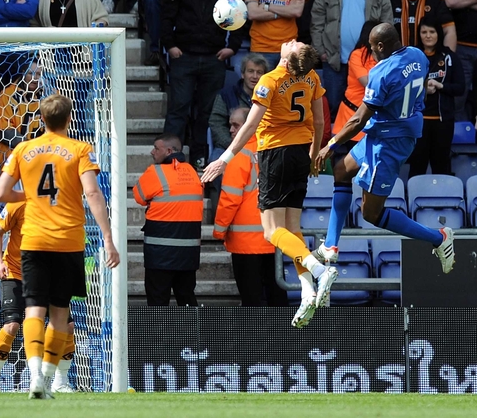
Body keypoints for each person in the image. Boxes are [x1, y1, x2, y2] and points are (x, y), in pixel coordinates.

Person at [0, 93, 119, 399]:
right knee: (60, 315)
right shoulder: (79, 149)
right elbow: (92, 193)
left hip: (34, 241)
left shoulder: (23, 149)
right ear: (70, 118)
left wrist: (30, 197)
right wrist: (107, 236)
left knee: (34, 311)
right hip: (67, 241)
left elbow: (0, 194)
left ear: (42, 118)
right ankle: (47, 380)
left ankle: (35, 375)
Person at [201, 39, 331, 328]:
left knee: (273, 231)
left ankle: (317, 268)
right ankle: (308, 290)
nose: (292, 40)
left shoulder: (270, 80)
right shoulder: (311, 75)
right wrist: (313, 156)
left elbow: (249, 125)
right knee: (293, 229)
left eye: (294, 44)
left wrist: (224, 158)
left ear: (286, 58)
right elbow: (320, 123)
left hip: (275, 153)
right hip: (301, 152)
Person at [312, 23, 456, 282]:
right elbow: (420, 82)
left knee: (371, 214)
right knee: (342, 171)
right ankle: (330, 246)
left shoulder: (381, 72)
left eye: (371, 45)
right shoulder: (417, 55)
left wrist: (330, 144)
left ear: (380, 46)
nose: (369, 50)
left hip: (389, 144)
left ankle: (439, 238)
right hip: (386, 132)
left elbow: (357, 120)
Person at [0, 200, 77, 394]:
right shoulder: (17, 203)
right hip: (15, 273)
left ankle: (60, 382)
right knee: (12, 325)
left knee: (67, 326)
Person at [161, 0, 244, 170]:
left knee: (207, 112)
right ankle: (170, 160)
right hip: (184, 56)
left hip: (213, 57)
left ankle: (200, 158)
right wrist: (170, 45)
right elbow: (165, 17)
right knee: (178, 109)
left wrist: (232, 47)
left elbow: (240, 18)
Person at [213, 107, 288, 307]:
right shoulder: (277, 151)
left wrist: (219, 230)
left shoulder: (238, 155)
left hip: (246, 243)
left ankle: (253, 338)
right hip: (275, 239)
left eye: (236, 125)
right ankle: (286, 337)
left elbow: (230, 198)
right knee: (277, 296)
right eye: (230, 124)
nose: (230, 130)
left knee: (251, 301)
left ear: (249, 125)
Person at [310, 0, 393, 119]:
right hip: (334, 60)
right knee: (333, 106)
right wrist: (320, 50)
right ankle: (336, 141)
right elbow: (316, 21)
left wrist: (382, 54)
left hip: (369, 61)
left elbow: (387, 25)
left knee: (368, 106)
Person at [133, 133, 203, 306]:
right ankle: (191, 333)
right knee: (186, 298)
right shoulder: (192, 172)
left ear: (169, 151)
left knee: (158, 301)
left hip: (160, 254)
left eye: (157, 148)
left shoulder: (155, 172)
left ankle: (159, 334)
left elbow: (139, 196)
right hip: (188, 253)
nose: (152, 152)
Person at [408, 17, 464, 177]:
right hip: (418, 121)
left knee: (442, 167)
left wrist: (441, 86)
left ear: (438, 33)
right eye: (424, 32)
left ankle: (444, 201)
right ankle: (415, 200)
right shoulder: (412, 57)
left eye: (432, 32)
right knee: (417, 166)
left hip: (443, 121)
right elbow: (402, 87)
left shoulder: (450, 57)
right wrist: (424, 89)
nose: (428, 36)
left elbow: (460, 88)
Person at [331, 20, 379, 166]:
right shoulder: (357, 55)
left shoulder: (386, 57)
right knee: (343, 168)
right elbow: (366, 82)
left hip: (372, 118)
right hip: (351, 115)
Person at [242, 0, 308, 68]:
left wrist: (266, 6)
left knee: (286, 84)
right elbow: (253, 13)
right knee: (264, 84)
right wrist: (285, 11)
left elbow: (296, 11)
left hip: (289, 49)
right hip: (261, 47)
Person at [390, 0, 456, 50]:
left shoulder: (435, 1)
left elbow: (449, 31)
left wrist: (447, 56)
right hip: (398, 57)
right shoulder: (392, 1)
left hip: (429, 57)